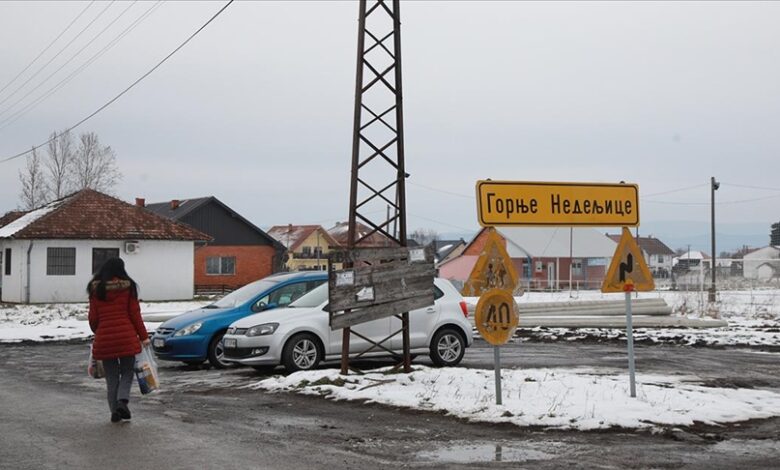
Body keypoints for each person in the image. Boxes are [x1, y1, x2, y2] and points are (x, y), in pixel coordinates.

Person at [87, 257, 149, 423]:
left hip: (105, 340)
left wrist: (100, 331)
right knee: (128, 371)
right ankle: (122, 401)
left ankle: (115, 412)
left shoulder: (96, 289)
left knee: (112, 376)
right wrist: (143, 337)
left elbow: (93, 319)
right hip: (126, 337)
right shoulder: (128, 288)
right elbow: (135, 315)